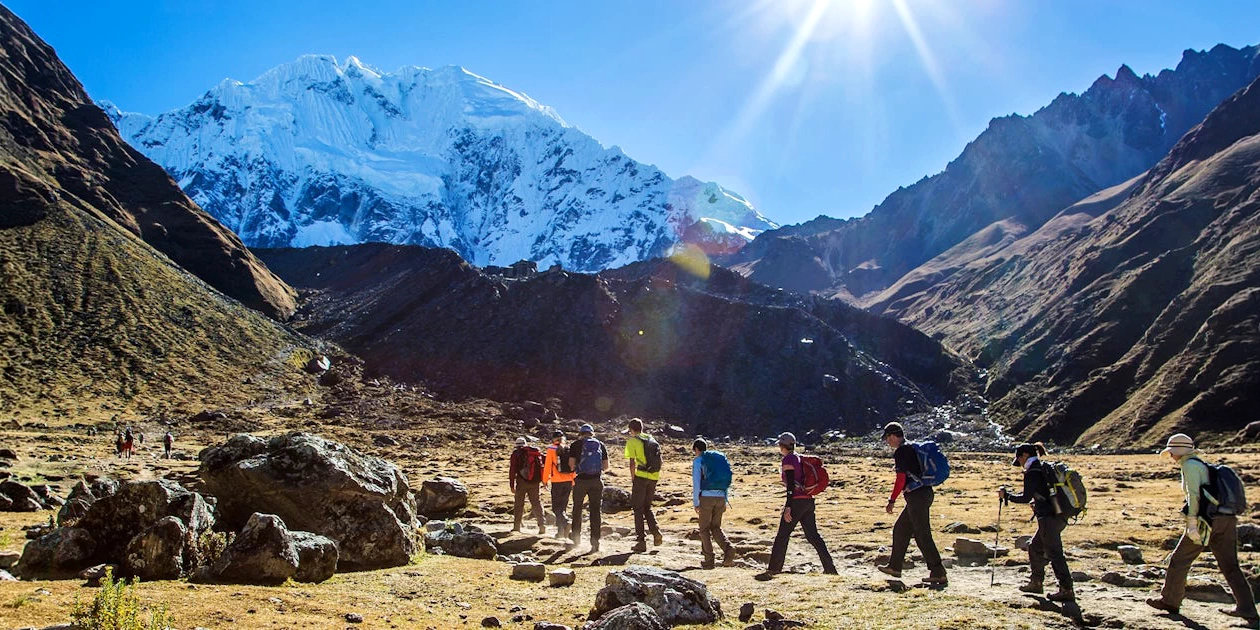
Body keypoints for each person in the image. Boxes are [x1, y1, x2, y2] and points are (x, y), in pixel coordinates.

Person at [1146, 434, 1257, 625]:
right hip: (1226, 519)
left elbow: (1194, 497)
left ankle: (1170, 601)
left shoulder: (1189, 467)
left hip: (1206, 521)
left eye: (1172, 452)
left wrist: (1191, 524)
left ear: (1177, 452)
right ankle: (1247, 609)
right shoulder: (1201, 464)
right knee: (1230, 566)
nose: (1171, 457)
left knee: (1180, 560)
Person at [1000, 442, 1075, 601]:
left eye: (1019, 458)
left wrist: (1008, 496)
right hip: (1058, 516)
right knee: (1035, 547)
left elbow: (1025, 497)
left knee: (1055, 553)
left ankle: (1066, 589)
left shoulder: (1032, 472)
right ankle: (1036, 582)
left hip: (1048, 518)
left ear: (1025, 456)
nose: (1019, 463)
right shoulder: (1043, 468)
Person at [877, 422, 947, 585]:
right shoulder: (911, 448)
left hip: (917, 497)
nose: (888, 442)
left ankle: (938, 571)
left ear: (893, 436)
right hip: (923, 494)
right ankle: (895, 566)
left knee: (922, 534)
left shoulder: (902, 452)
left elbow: (901, 478)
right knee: (901, 529)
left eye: (887, 439)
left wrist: (892, 500)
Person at [759, 432, 836, 579]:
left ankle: (774, 568)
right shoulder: (799, 458)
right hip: (808, 501)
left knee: (782, 535)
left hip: (796, 501)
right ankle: (830, 568)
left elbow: (790, 486)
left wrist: (788, 506)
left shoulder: (788, 460)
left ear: (783, 446)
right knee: (813, 536)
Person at [692, 438, 736, 569]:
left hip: (706, 497)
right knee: (716, 527)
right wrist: (725, 498)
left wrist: (696, 502)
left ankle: (709, 559)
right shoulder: (717, 460)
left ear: (696, 449)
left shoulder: (699, 460)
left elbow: (696, 482)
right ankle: (729, 550)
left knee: (704, 529)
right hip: (721, 497)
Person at [568, 423, 610, 552]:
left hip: (581, 481)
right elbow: (606, 466)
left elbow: (571, 464)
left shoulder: (575, 445)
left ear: (581, 434)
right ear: (592, 433)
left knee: (577, 509)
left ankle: (576, 538)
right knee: (595, 511)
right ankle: (595, 541)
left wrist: (577, 468)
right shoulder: (600, 444)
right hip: (596, 481)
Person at [625, 418, 663, 553]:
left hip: (641, 476)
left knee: (637, 508)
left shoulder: (632, 441)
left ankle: (641, 541)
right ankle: (656, 533)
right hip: (654, 477)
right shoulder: (652, 439)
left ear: (631, 429)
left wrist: (633, 478)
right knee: (647, 507)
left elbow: (632, 463)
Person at [508, 437, 546, 534]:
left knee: (519, 503)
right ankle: (542, 525)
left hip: (522, 482)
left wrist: (512, 484)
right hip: (535, 482)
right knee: (536, 502)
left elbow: (513, 469)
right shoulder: (535, 452)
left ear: (516, 445)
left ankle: (516, 527)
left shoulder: (516, 454)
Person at [543, 430, 575, 539]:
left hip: (557, 481)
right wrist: (573, 480)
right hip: (569, 481)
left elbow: (547, 466)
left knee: (556, 508)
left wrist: (544, 480)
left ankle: (566, 523)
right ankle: (560, 533)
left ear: (553, 439)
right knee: (563, 508)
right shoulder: (568, 449)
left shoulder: (551, 449)